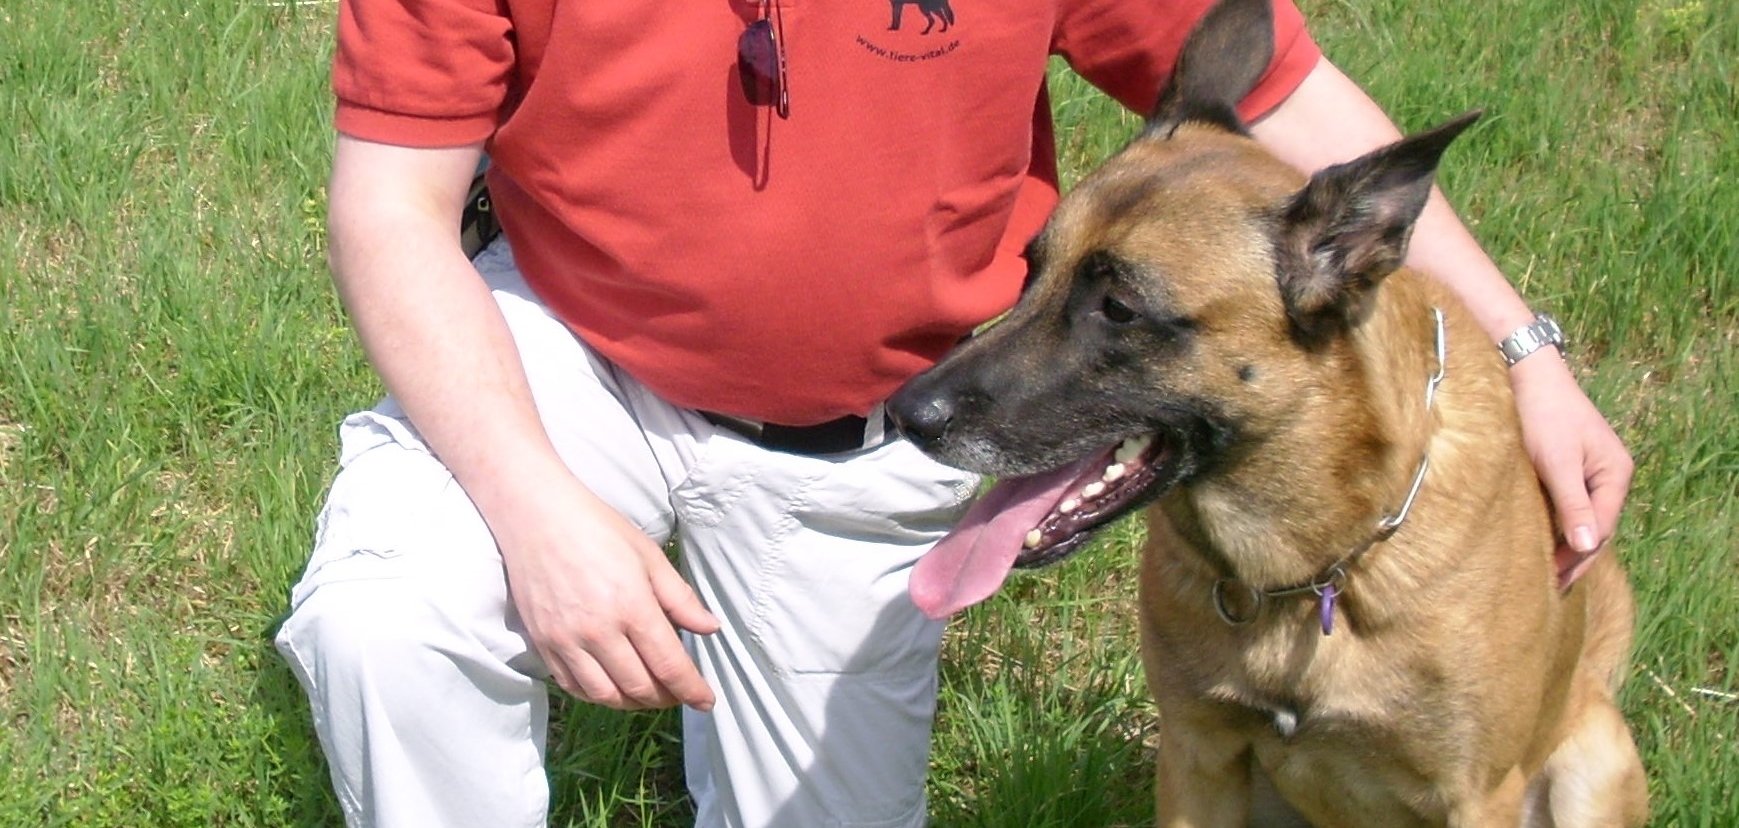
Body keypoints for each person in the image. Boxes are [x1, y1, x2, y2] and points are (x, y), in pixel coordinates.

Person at [272, 0, 1633, 824]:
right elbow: (390, 213)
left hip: (879, 429)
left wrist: (1526, 351)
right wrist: (533, 506)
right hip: (563, 355)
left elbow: (1289, 104)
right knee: (388, 624)